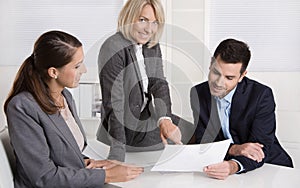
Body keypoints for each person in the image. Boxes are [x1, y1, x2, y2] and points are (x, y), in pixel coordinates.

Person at [4, 30, 143, 188]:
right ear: (53, 72)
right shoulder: (22, 107)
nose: (84, 70)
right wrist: (107, 175)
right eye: (77, 66)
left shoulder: (65, 97)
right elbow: (44, 177)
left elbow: (61, 152)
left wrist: (88, 163)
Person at [96, 0, 193, 162]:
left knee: (195, 132)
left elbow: (159, 83)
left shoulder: (151, 45)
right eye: (143, 20)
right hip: (125, 130)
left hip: (146, 118)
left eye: (154, 22)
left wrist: (165, 120)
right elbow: (115, 103)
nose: (149, 29)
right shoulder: (113, 47)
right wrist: (117, 155)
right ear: (129, 17)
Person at [190, 38, 293, 180]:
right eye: (216, 72)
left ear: (242, 76)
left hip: (269, 167)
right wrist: (234, 149)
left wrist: (233, 166)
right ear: (211, 63)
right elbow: (203, 141)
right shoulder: (198, 93)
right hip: (222, 166)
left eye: (229, 78)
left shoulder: (261, 95)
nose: (219, 83)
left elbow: (260, 149)